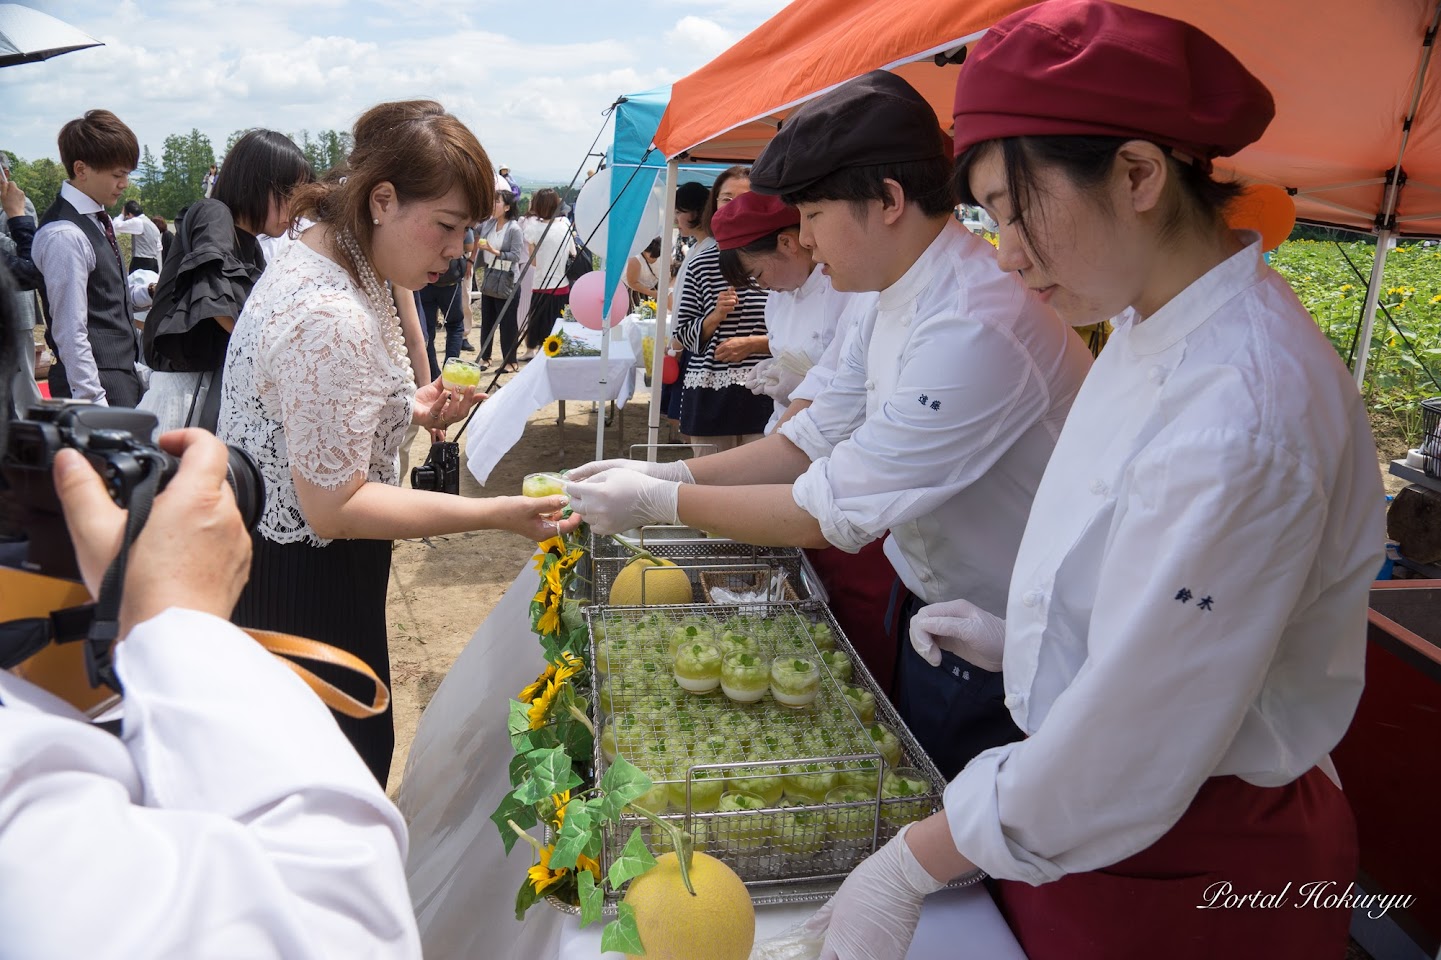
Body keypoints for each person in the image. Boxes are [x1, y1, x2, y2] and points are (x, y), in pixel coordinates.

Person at [800, 4, 1384, 959]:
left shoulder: (1241, 413)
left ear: (1139, 173)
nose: (1007, 251)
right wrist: (1038, 636)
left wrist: (913, 859)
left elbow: (1127, 747)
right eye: (989, 218)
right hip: (1103, 807)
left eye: (1014, 210)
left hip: (1196, 845)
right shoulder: (1154, 322)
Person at [565, 71, 1091, 778]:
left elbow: (824, 511)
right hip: (938, 606)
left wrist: (659, 502)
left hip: (1015, 633)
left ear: (888, 202)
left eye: (812, 214)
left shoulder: (973, 323)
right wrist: (666, 471)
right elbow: (801, 442)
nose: (805, 241)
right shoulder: (885, 294)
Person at [218, 100, 578, 785]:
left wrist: (402, 408)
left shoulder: (336, 258)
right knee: (334, 780)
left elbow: (304, 414)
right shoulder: (329, 310)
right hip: (303, 580)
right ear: (382, 199)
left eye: (466, 230)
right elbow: (335, 507)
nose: (455, 249)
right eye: (445, 226)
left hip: (299, 563)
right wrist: (498, 513)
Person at [140, 129, 313, 434]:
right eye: (289, 195)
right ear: (257, 184)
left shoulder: (255, 249)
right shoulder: (214, 213)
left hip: (214, 390)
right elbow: (216, 297)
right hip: (186, 393)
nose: (294, 209)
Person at [713, 191, 874, 434]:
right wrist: (774, 370)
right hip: (787, 427)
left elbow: (851, 380)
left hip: (834, 434)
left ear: (787, 243)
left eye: (758, 274)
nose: (764, 287)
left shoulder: (846, 288)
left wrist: (802, 387)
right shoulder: (777, 300)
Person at [31, 109, 145, 407]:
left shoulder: (96, 218)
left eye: (127, 174)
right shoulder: (65, 234)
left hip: (116, 376)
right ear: (81, 169)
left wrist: (146, 293)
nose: (124, 184)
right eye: (117, 174)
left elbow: (104, 297)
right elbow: (70, 330)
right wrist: (93, 401)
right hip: (95, 385)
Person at [673, 167, 773, 451]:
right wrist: (715, 316)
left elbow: (801, 334)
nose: (735, 206)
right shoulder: (700, 263)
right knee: (711, 484)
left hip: (765, 389)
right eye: (726, 198)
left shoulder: (779, 258)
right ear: (714, 205)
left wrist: (754, 344)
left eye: (745, 198)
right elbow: (683, 333)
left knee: (759, 486)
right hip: (709, 392)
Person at [475, 188, 526, 373]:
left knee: (507, 323)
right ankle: (485, 358)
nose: (493, 205)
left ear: (506, 207)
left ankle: (511, 361)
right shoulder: (489, 224)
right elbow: (474, 226)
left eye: (497, 202)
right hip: (490, 275)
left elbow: (515, 256)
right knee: (487, 321)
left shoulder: (514, 229)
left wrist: (492, 250)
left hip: (507, 280)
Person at [519, 187, 574, 359]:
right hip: (562, 283)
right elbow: (572, 252)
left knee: (537, 322)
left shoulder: (532, 228)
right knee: (558, 324)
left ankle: (531, 350)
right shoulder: (565, 224)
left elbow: (533, 261)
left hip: (541, 284)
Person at [117, 199, 163, 273]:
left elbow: (115, 226)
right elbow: (159, 248)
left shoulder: (137, 221)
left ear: (130, 214)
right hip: (153, 263)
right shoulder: (151, 224)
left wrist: (122, 214)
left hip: (140, 261)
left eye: (127, 216)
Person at [624, 236, 663, 309]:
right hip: (637, 290)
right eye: (651, 257)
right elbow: (632, 282)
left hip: (655, 287)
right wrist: (651, 293)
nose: (654, 259)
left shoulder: (663, 252)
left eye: (656, 257)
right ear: (644, 250)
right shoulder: (635, 259)